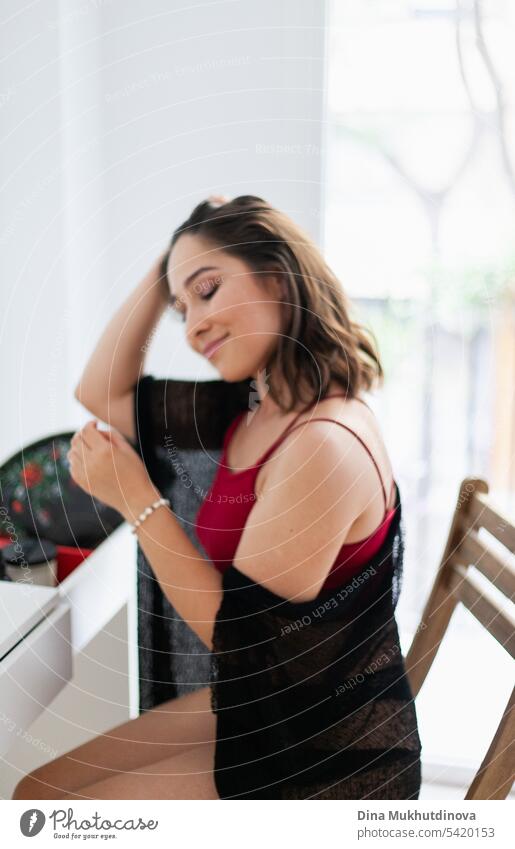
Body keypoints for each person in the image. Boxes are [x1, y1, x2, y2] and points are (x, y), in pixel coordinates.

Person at [13, 195, 421, 800]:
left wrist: (137, 498)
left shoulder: (322, 445)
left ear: (278, 276)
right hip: (274, 709)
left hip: (325, 759)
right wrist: (172, 264)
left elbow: (246, 649)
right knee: (35, 792)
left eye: (207, 290)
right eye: (181, 309)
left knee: (47, 814)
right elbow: (98, 389)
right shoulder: (255, 406)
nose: (194, 324)